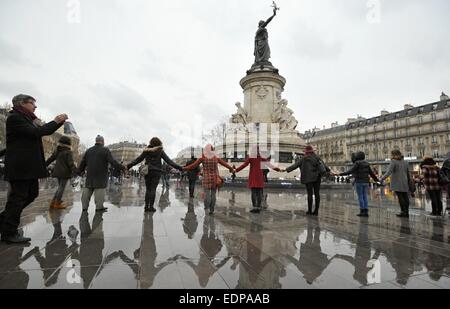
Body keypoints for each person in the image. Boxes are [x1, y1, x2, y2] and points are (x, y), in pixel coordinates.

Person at [0, 94, 68, 244]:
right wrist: (56, 121)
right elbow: (37, 133)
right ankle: (8, 232)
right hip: (21, 167)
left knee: (31, 194)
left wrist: (52, 123)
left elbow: (33, 134)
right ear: (22, 104)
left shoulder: (26, 119)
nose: (35, 106)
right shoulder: (15, 118)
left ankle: (4, 220)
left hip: (27, 167)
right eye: (32, 103)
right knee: (17, 199)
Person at [127, 137, 183, 212]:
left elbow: (138, 159)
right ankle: (151, 207)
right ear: (159, 143)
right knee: (153, 189)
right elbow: (169, 161)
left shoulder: (146, 150)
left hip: (147, 171)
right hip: (156, 172)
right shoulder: (160, 151)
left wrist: (129, 165)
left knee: (148, 189)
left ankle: (146, 207)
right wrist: (180, 168)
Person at [78, 135, 126, 212]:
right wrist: (122, 167)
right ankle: (99, 207)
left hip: (90, 175)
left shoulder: (89, 150)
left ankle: (84, 207)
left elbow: (83, 163)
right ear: (103, 142)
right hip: (101, 176)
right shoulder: (105, 150)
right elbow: (112, 162)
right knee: (99, 194)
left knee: (87, 192)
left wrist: (79, 171)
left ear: (96, 141)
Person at [184, 145, 233, 215]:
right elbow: (224, 163)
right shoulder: (215, 157)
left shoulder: (203, 157)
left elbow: (193, 165)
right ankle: (212, 209)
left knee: (206, 194)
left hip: (206, 179)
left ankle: (206, 206)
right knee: (213, 194)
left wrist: (184, 168)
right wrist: (230, 168)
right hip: (214, 179)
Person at [283, 146, 330, 216]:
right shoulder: (317, 157)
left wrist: (285, 169)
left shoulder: (304, 158)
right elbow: (324, 166)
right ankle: (316, 211)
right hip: (317, 178)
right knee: (317, 194)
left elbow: (295, 165)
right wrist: (329, 171)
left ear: (306, 152)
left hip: (308, 178)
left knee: (310, 194)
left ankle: (310, 211)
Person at [234, 146, 280, 213]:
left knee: (253, 192)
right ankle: (258, 207)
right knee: (259, 193)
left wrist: (236, 170)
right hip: (259, 177)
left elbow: (244, 165)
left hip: (253, 177)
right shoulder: (262, 159)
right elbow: (270, 165)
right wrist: (278, 169)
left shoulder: (251, 158)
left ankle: (254, 207)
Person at [337, 152, 379, 217]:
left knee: (360, 196)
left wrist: (340, 174)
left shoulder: (357, 163)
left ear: (358, 156)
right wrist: (377, 180)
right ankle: (366, 210)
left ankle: (362, 211)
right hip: (366, 182)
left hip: (359, 181)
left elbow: (350, 171)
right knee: (365, 196)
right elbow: (371, 173)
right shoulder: (367, 164)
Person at [45, 136, 77, 210]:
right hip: (65, 172)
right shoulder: (68, 152)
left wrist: (44, 164)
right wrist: (76, 171)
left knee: (60, 187)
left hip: (57, 171)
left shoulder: (58, 150)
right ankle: (57, 203)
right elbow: (70, 163)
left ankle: (54, 201)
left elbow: (51, 159)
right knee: (61, 188)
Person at [380, 150, 414, 218]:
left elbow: (389, 172)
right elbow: (408, 173)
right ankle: (406, 212)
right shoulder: (405, 162)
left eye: (391, 154)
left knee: (400, 197)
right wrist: (409, 180)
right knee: (405, 197)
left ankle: (402, 211)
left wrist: (382, 178)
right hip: (405, 181)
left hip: (397, 182)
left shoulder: (393, 162)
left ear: (393, 154)